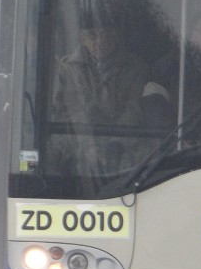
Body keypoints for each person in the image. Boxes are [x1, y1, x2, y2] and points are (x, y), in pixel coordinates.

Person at [49, 10, 171, 174]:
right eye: (92, 35)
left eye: (106, 34)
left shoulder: (137, 68)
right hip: (79, 146)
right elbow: (65, 114)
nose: (100, 41)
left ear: (115, 36)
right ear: (82, 38)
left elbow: (134, 110)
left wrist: (116, 144)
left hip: (125, 146)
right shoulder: (68, 69)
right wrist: (88, 147)